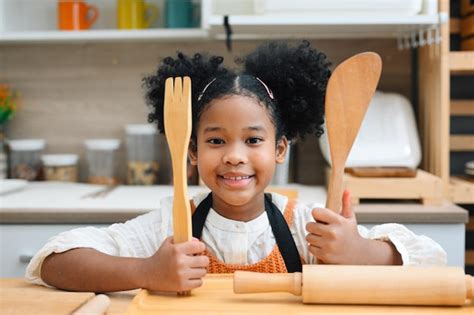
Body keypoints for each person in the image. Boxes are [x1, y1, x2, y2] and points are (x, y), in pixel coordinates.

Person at [26, 41, 446, 293]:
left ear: (280, 149)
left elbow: (435, 264)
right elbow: (53, 259)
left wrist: (362, 253)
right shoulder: (172, 228)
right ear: (191, 152)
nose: (234, 155)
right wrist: (145, 271)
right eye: (214, 141)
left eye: (253, 139)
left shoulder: (308, 228)